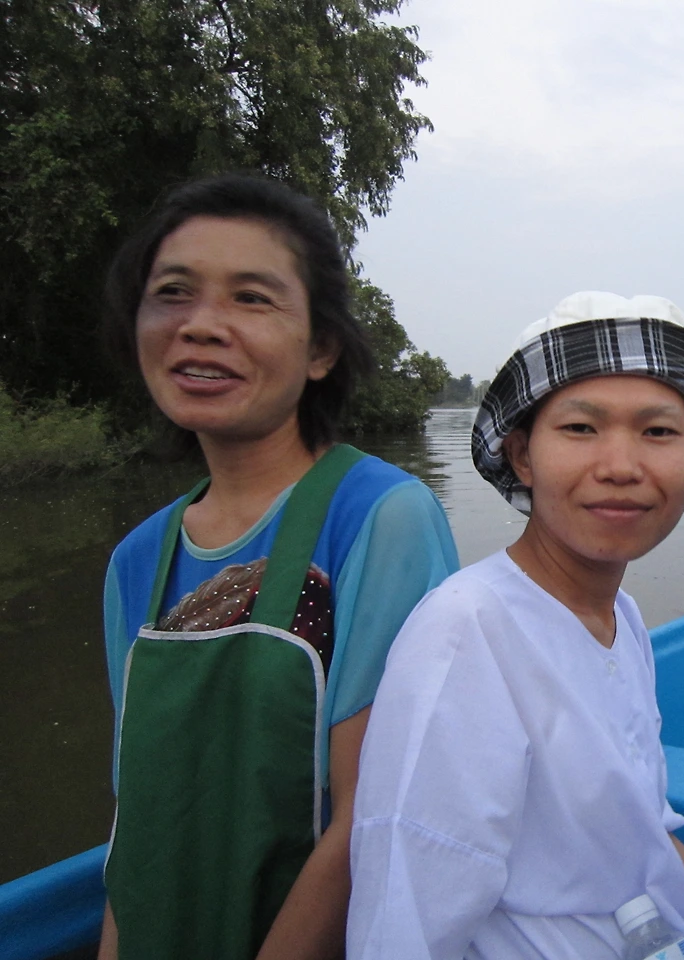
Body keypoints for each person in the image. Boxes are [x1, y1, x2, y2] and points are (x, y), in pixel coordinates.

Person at [97, 174, 459, 960]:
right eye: (173, 294)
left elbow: (375, 816)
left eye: (251, 299)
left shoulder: (379, 518)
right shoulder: (136, 560)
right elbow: (139, 815)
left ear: (321, 348)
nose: (200, 326)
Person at [347, 291, 684, 959]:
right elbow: (406, 918)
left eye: (657, 432)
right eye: (581, 429)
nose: (621, 466)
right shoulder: (466, 630)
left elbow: (648, 833)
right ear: (523, 456)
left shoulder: (619, 613)